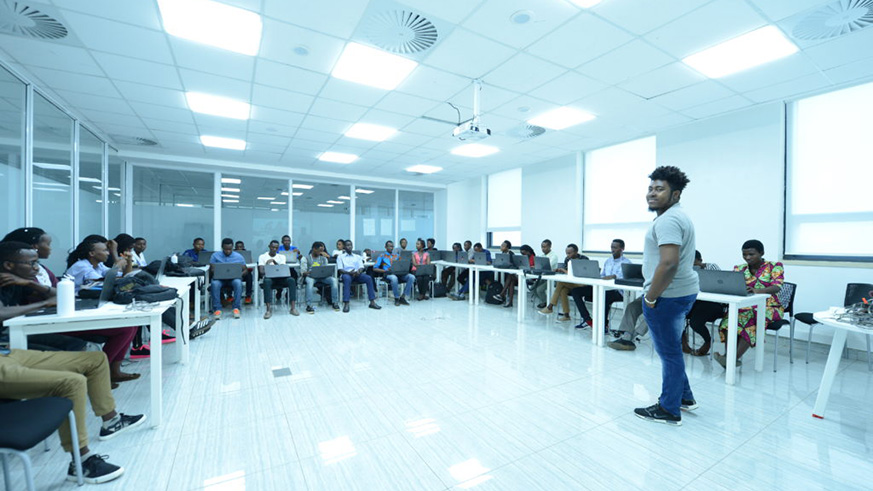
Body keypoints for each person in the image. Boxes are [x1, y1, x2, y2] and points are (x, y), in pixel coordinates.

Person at [1, 289, 146, 484]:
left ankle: (111, 421)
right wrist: (42, 302)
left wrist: (28, 285)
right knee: (72, 382)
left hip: (7, 352)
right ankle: (81, 461)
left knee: (95, 359)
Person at [1, 242, 140, 385]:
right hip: (21, 330)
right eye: (31, 263)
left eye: (37, 262)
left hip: (38, 322)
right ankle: (99, 375)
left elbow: (59, 296)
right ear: (8, 265)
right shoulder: (5, 280)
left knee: (129, 325)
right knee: (124, 328)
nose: (36, 267)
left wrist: (32, 284)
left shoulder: (21, 280)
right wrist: (44, 303)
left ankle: (109, 372)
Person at [634, 165, 698, 426]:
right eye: (650, 188)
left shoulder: (669, 220)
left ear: (676, 194)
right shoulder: (675, 216)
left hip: (667, 296)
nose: (652, 193)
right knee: (671, 349)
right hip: (682, 292)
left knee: (669, 353)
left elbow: (668, 263)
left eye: (660, 189)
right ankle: (684, 397)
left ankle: (669, 409)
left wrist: (651, 297)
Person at [714, 240, 784, 369]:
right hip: (745, 305)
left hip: (770, 306)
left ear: (761, 253)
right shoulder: (739, 268)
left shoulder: (775, 266)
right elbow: (734, 285)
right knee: (729, 319)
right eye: (744, 254)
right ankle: (729, 358)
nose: (747, 258)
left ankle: (730, 359)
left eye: (751, 254)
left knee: (752, 317)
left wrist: (758, 291)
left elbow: (776, 287)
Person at [569, 239, 631, 330]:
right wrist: (595, 276)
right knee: (576, 291)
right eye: (611, 247)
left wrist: (613, 276)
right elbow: (602, 276)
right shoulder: (608, 261)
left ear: (622, 249)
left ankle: (603, 325)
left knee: (604, 296)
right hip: (603, 288)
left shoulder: (627, 263)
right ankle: (587, 320)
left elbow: (622, 278)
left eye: (615, 247)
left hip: (618, 292)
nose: (612, 249)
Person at [681, 250, 723, 356]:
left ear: (700, 260)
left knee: (695, 322)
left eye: (694, 263)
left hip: (712, 303)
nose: (692, 266)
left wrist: (702, 271)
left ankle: (707, 341)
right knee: (676, 315)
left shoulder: (711, 267)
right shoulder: (685, 270)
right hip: (694, 302)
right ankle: (683, 343)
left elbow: (720, 284)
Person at [537, 244, 587, 321]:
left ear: (576, 252)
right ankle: (566, 315)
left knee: (560, 283)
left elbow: (578, 273)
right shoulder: (567, 259)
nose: (568, 255)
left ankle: (550, 306)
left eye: (569, 253)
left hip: (582, 284)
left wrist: (563, 270)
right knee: (563, 290)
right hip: (571, 283)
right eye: (566, 253)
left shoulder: (584, 259)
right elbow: (567, 272)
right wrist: (559, 270)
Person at [66, 236, 132, 291]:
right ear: (92, 253)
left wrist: (129, 261)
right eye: (105, 250)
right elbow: (106, 284)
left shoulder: (99, 265)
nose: (108, 253)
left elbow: (123, 277)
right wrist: (118, 265)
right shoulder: (82, 266)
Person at [336, 240, 381, 312]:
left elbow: (361, 267)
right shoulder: (340, 257)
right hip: (347, 274)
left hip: (357, 275)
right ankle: (346, 303)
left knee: (368, 278)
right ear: (344, 247)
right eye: (347, 245)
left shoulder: (357, 256)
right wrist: (350, 273)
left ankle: (372, 302)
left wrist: (359, 271)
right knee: (347, 279)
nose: (349, 246)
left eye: (350, 245)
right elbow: (340, 270)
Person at [258, 240, 299, 319]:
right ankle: (268, 310)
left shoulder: (281, 257)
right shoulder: (262, 256)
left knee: (291, 280)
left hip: (280, 278)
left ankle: (293, 308)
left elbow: (282, 270)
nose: (274, 249)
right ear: (269, 247)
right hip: (269, 278)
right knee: (266, 281)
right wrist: (267, 264)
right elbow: (261, 272)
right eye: (273, 247)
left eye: (276, 248)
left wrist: (274, 262)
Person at [210, 238, 246, 319]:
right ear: (222, 247)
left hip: (233, 279)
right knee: (214, 283)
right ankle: (217, 309)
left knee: (238, 283)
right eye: (225, 249)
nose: (228, 251)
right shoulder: (215, 256)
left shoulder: (238, 256)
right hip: (219, 279)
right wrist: (216, 272)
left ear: (232, 247)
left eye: (230, 249)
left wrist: (239, 274)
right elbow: (212, 269)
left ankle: (236, 308)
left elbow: (245, 269)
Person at [300, 242, 340, 313]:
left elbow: (325, 269)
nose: (322, 252)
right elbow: (303, 273)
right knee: (309, 283)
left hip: (322, 277)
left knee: (334, 280)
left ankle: (335, 302)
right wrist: (310, 272)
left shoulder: (324, 258)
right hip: (311, 277)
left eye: (323, 250)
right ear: (314, 249)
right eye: (320, 250)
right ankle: (309, 305)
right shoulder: (305, 258)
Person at [373, 240, 413, 306]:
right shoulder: (382, 256)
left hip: (399, 274)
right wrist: (385, 271)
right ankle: (396, 298)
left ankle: (403, 297)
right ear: (385, 247)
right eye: (390, 246)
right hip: (388, 274)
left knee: (411, 277)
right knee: (394, 278)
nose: (392, 248)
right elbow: (375, 268)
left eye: (392, 246)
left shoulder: (397, 256)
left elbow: (401, 265)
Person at [494, 243, 534, 308]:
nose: (523, 255)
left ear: (528, 252)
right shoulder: (524, 257)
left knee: (510, 276)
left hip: (530, 277)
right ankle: (509, 302)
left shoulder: (533, 257)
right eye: (522, 254)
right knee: (511, 280)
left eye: (524, 253)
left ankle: (502, 294)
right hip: (522, 275)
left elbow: (532, 267)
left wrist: (528, 267)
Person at [533, 239, 560, 309]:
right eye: (542, 247)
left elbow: (547, 266)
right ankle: (544, 301)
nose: (543, 249)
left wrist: (538, 266)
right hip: (543, 276)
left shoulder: (554, 256)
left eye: (545, 247)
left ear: (550, 246)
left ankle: (547, 303)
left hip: (551, 278)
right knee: (533, 288)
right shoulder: (542, 255)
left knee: (539, 290)